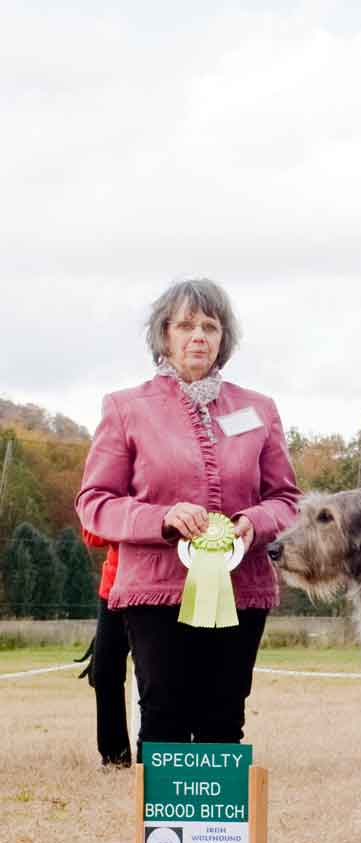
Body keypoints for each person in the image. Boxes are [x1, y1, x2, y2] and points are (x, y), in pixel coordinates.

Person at [76, 280, 300, 758]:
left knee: (224, 719)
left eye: (210, 326)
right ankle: (164, 836)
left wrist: (253, 522)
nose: (198, 336)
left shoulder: (259, 409)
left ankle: (218, 836)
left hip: (243, 590)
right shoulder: (125, 407)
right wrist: (163, 517)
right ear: (164, 335)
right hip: (155, 590)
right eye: (185, 325)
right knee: (165, 718)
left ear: (224, 339)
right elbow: (95, 502)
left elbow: (286, 500)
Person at [78, 531, 131, 768]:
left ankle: (163, 756)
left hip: (161, 586)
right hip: (114, 588)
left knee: (160, 676)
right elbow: (92, 534)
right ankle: (114, 758)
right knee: (103, 672)